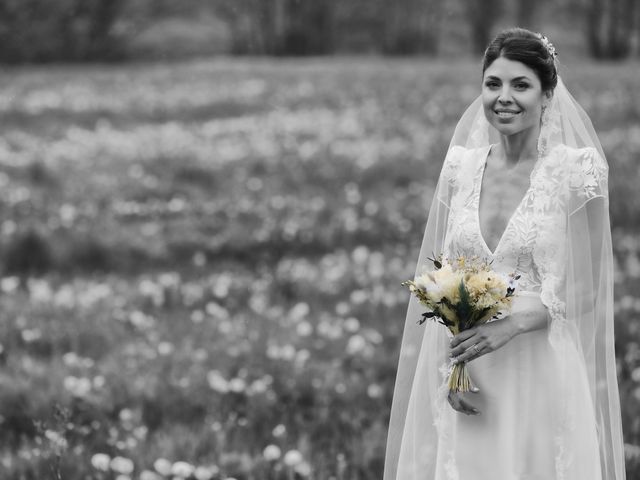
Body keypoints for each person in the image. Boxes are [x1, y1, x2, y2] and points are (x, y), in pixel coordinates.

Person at [383, 28, 626, 480]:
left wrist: (514, 325)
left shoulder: (575, 171)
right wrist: (450, 370)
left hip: (539, 364)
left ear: (547, 94)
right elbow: (445, 277)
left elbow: (589, 289)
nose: (504, 98)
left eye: (520, 85)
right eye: (493, 83)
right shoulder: (461, 166)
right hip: (473, 370)